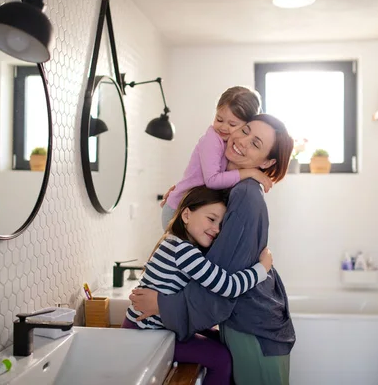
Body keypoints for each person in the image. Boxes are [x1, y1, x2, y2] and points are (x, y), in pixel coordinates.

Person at [131, 113, 296, 385]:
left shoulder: (245, 194)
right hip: (252, 323)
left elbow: (223, 278)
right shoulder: (232, 185)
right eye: (244, 130)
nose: (241, 141)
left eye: (255, 144)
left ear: (267, 162)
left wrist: (163, 305)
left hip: (253, 327)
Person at [122, 185, 273, 385]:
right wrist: (263, 268)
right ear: (186, 215)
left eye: (221, 224)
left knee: (220, 341)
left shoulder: (174, 242)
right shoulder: (184, 252)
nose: (216, 229)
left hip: (151, 329)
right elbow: (229, 287)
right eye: (211, 219)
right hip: (147, 335)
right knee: (221, 358)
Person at [161, 86, 273, 230]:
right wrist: (251, 173)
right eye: (219, 119)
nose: (224, 127)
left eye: (232, 124)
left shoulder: (230, 145)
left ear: (247, 125)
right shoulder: (212, 140)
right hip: (177, 210)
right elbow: (212, 180)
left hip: (193, 210)